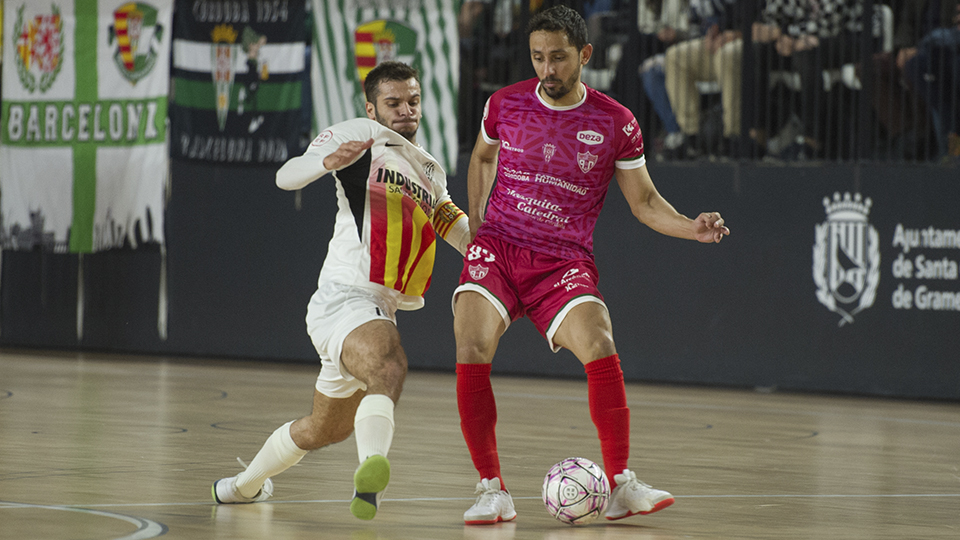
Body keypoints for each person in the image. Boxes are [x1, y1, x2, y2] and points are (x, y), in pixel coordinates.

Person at [453, 5, 730, 525]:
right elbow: (483, 157)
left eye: (558, 57)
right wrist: (476, 227)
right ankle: (492, 489)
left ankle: (621, 484)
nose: (547, 69)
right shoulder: (504, 103)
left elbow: (645, 204)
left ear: (584, 55)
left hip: (562, 261)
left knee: (600, 340)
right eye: (538, 58)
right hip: (500, 247)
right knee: (470, 344)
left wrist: (690, 225)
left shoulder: (615, 122)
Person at [211, 61, 469, 521]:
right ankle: (372, 472)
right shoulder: (361, 134)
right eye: (393, 102)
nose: (406, 110)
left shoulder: (428, 167)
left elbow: (450, 222)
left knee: (323, 430)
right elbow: (286, 175)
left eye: (413, 100)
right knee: (389, 366)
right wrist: (323, 163)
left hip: (376, 309)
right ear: (372, 107)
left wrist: (493, 251)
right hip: (347, 295)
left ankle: (239, 488)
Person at [663, 0, 746, 156]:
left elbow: (761, 18)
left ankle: (732, 137)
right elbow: (709, 20)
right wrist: (711, 35)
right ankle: (692, 137)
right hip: (719, 41)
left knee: (726, 55)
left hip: (748, 40)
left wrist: (735, 35)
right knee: (675, 57)